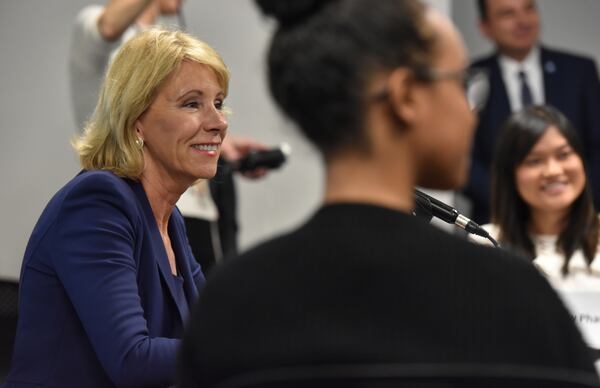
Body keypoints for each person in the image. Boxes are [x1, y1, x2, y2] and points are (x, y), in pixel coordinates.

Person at [179, 1, 599, 387]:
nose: (472, 111)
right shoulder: (511, 297)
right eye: (462, 83)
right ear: (405, 97)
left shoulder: (235, 301)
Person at [4, 27, 228, 387]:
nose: (218, 122)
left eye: (218, 102)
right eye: (192, 103)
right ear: (136, 119)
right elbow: (132, 360)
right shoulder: (98, 202)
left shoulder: (171, 219)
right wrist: (252, 348)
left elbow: (210, 330)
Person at [69, 0, 268, 274]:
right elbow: (108, 25)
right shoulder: (95, 28)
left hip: (187, 214)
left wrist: (222, 148)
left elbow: (176, 125)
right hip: (138, 205)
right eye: (190, 103)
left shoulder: (166, 37)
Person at [464, 0, 600, 224]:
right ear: (485, 27)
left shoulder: (578, 70)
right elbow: (465, 157)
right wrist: (510, 200)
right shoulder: (473, 79)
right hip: (497, 219)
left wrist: (572, 198)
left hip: (577, 219)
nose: (522, 21)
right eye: (508, 14)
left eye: (528, 9)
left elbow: (597, 146)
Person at [473, 105, 600, 288]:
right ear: (510, 175)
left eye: (564, 155)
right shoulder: (485, 243)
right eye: (535, 161)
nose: (553, 171)